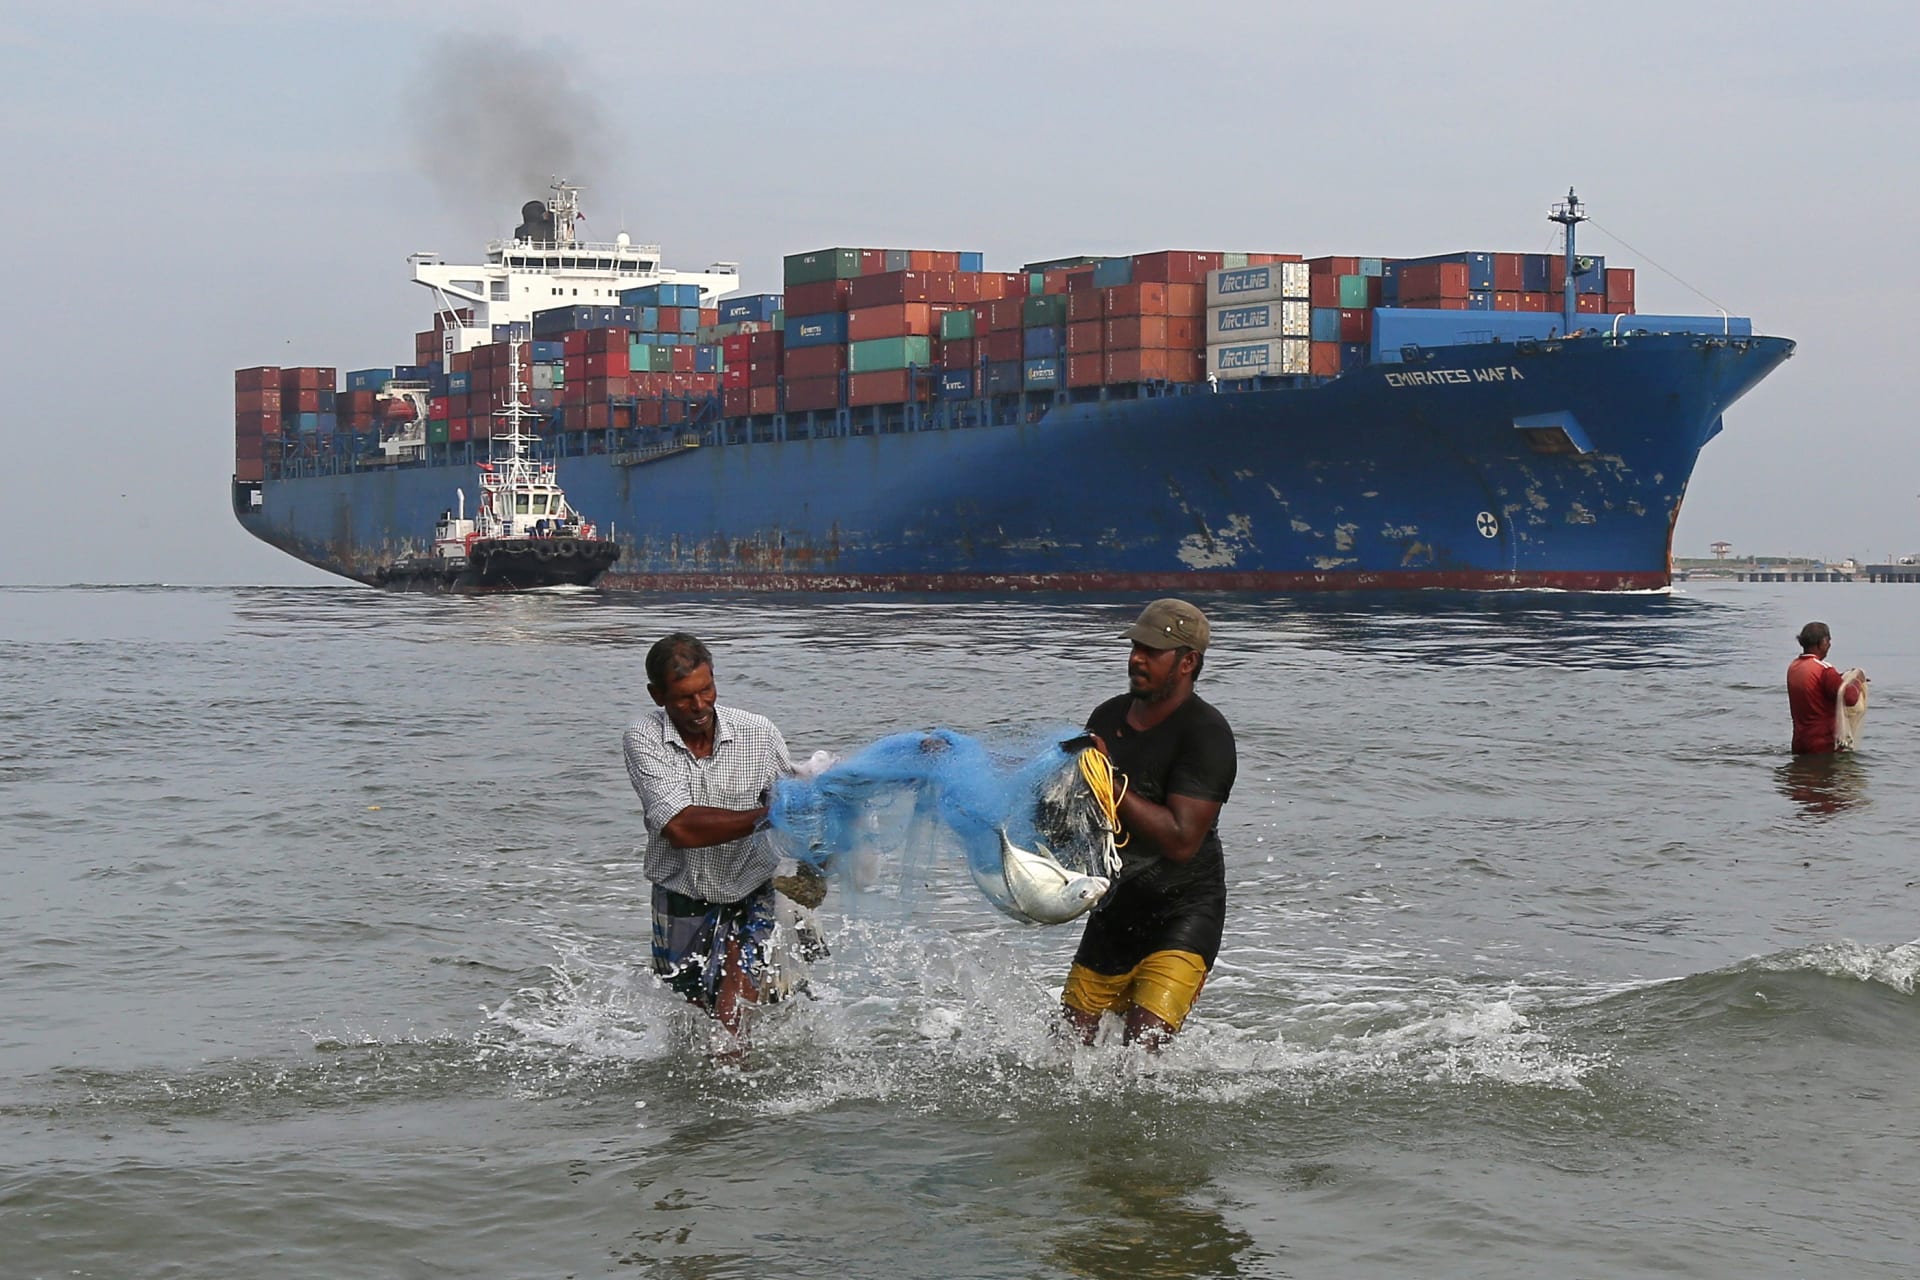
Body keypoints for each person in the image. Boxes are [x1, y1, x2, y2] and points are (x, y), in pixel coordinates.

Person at [1059, 599, 1237, 1050]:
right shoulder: (1107, 717)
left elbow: (1181, 839)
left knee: (1143, 1050)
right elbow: (1077, 806)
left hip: (1183, 912)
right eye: (1136, 647)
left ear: (1187, 662)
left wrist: (1109, 783)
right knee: (1062, 1053)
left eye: (1152, 650)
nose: (1137, 658)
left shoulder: (1206, 734)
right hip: (1115, 911)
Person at [623, 632, 800, 1045]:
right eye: (685, 697)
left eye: (706, 690)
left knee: (731, 1018)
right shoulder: (645, 739)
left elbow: (797, 797)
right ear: (657, 696)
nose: (700, 706)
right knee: (692, 1024)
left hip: (753, 890)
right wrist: (766, 817)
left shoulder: (758, 733)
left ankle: (745, 1098)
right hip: (683, 894)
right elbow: (681, 827)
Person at [1787, 621, 1866, 755]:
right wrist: (1858, 680)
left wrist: (1842, 677)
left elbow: (1820, 687)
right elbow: (1850, 698)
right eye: (1828, 640)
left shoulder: (1794, 667)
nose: (1829, 645)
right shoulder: (1824, 670)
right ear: (1822, 642)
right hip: (1823, 745)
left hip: (1800, 742)